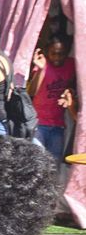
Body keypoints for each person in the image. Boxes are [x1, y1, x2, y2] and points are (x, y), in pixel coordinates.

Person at [30, 32, 77, 163]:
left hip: (58, 125)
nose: (57, 57)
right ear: (47, 52)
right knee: (37, 162)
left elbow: (75, 82)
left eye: (61, 53)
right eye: (53, 53)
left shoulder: (71, 65)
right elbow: (32, 91)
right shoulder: (43, 64)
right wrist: (40, 70)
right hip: (38, 123)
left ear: (67, 52)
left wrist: (69, 90)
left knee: (53, 163)